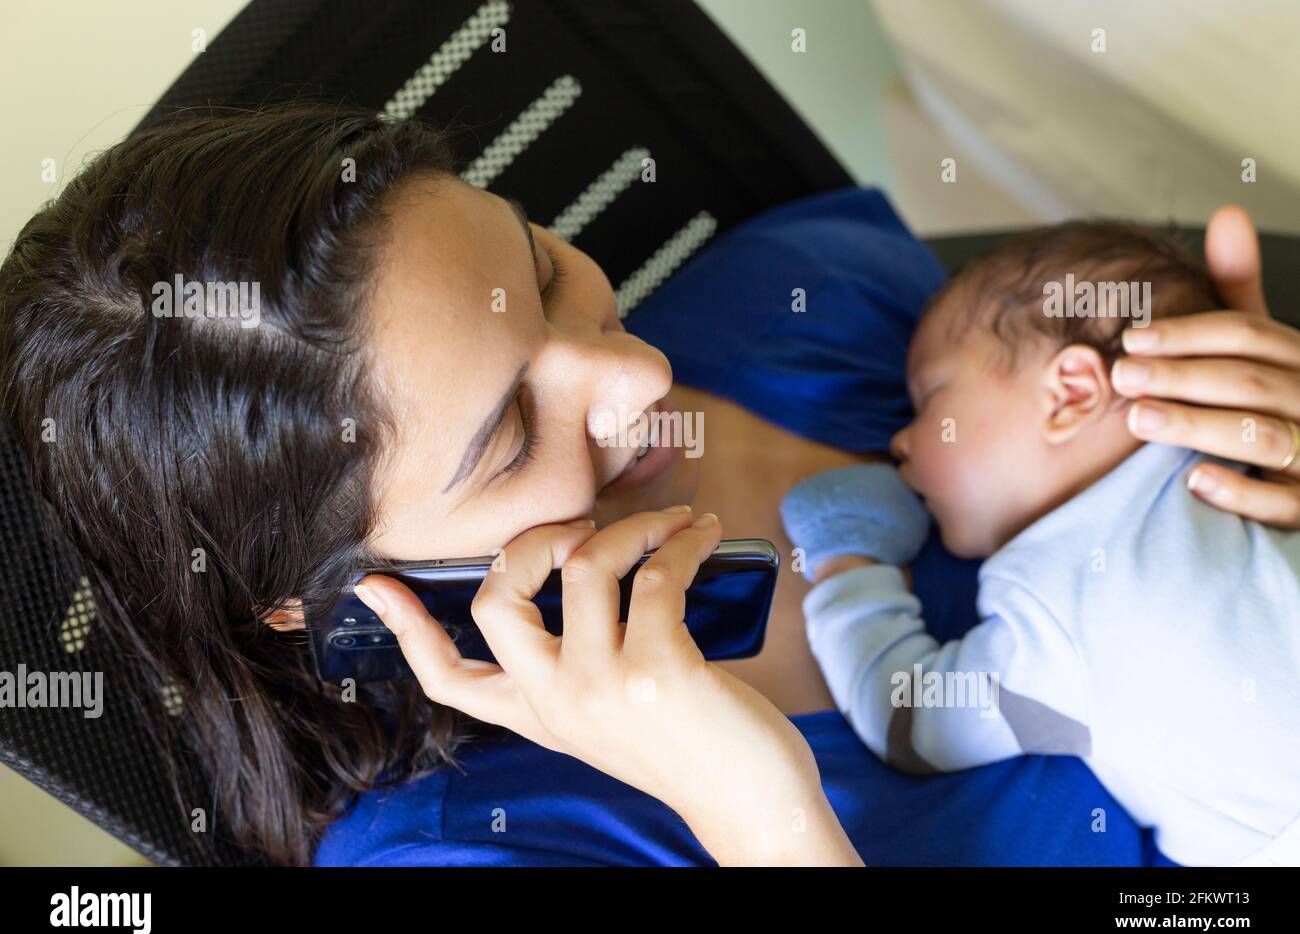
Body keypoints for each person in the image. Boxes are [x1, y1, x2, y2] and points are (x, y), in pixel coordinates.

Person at [1, 102, 1294, 865]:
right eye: (510, 435)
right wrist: (757, 813)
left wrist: (1226, 449)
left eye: (545, 270)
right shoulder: (479, 848)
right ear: (338, 601)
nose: (639, 375)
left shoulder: (804, 302)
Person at [778, 221, 1300, 866]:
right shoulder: (1236, 466)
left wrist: (848, 556)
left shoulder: (1058, 598)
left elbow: (913, 719)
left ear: (1071, 393)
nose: (900, 441)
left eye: (929, 399)